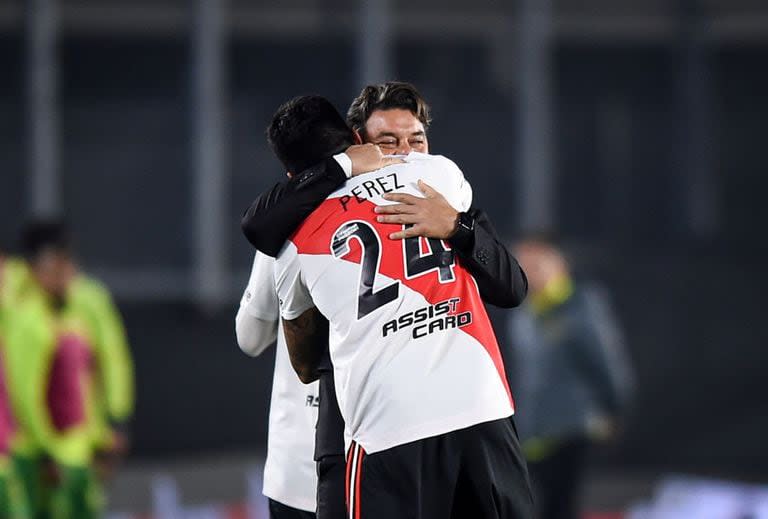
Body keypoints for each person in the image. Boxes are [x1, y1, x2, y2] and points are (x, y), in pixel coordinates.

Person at [242, 82, 529, 519]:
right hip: (430, 414)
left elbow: (512, 287)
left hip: (392, 424)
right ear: (359, 144)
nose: (408, 152)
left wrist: (457, 227)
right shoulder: (440, 177)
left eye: (416, 140)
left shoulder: (292, 240)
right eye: (389, 142)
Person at [5, 220, 134, 518]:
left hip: (74, 446)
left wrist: (112, 423)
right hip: (35, 450)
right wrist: (44, 448)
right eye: (58, 264)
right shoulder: (27, 315)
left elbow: (109, 361)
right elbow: (23, 389)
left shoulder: (79, 303)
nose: (67, 273)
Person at [507, 236, 634, 519]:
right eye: (523, 265)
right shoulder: (524, 312)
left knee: (561, 504)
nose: (530, 272)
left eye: (537, 264)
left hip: (572, 427)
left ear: (559, 264)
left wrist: (614, 409)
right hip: (534, 430)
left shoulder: (582, 305)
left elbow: (607, 363)